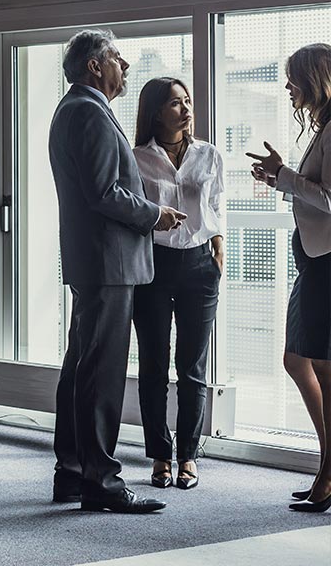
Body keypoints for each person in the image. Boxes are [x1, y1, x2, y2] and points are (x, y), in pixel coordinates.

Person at [47, 28, 184, 514]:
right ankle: (101, 481)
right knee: (100, 373)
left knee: (81, 367)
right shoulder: (88, 112)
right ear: (94, 66)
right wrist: (155, 214)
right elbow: (104, 193)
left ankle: (72, 471)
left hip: (97, 261)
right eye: (118, 59)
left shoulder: (79, 110)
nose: (125, 67)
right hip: (107, 261)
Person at [248, 42, 331, 513]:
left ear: (315, 78)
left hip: (326, 264)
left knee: (321, 366)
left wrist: (285, 176)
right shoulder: (323, 128)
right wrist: (280, 180)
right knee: (298, 361)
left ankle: (328, 471)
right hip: (313, 262)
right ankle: (328, 464)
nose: (287, 87)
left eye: (292, 78)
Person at [131, 78, 225, 491]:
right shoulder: (136, 157)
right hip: (154, 264)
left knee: (192, 367)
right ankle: (159, 455)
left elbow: (217, 205)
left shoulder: (209, 154)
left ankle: (188, 454)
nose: (186, 109)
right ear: (154, 112)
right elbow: (130, 211)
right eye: (174, 103)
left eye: (187, 101)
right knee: (153, 364)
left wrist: (219, 250)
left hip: (201, 264)